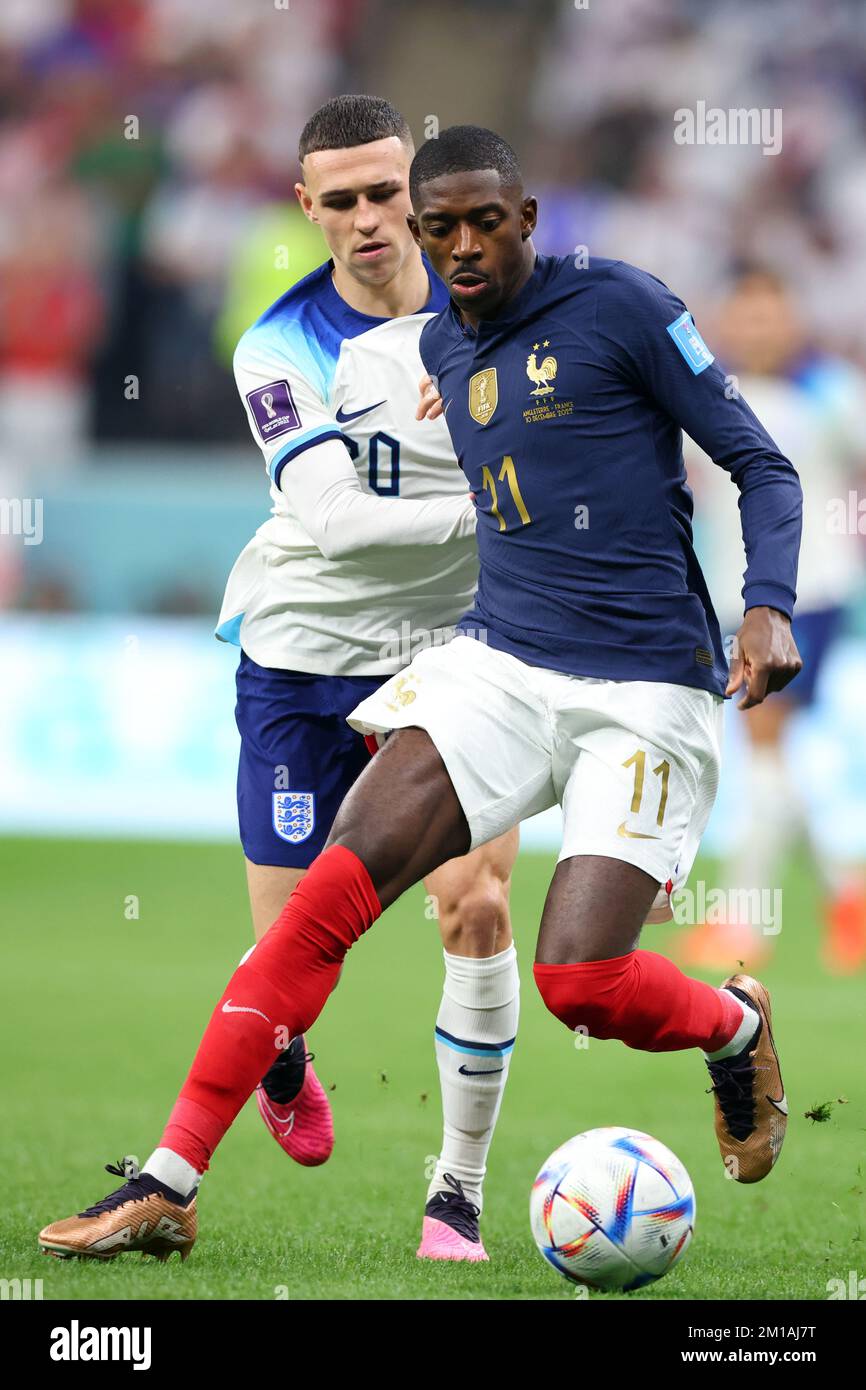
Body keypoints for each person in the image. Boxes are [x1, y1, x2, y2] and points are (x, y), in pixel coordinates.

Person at [39, 125, 802, 1266]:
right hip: (493, 666)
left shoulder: (625, 307)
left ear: (527, 218)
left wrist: (767, 602)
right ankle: (167, 1179)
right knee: (321, 904)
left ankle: (731, 1023)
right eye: (437, 226)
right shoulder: (432, 346)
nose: (457, 246)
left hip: (643, 687)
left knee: (579, 983)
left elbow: (762, 463)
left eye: (479, 221)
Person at [216, 95, 522, 1261]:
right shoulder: (280, 346)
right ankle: (282, 1059)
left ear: (422, 188)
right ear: (308, 209)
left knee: (477, 902)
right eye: (336, 200)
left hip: (458, 653)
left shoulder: (498, 315)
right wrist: (498, 508)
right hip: (305, 653)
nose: (364, 219)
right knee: (290, 963)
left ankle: (456, 1189)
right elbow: (335, 524)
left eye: (382, 193)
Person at [678, 267, 866, 974]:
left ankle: (739, 921)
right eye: (745, 315)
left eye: (771, 314)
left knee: (762, 743)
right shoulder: (706, 395)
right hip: (733, 592)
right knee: (774, 754)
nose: (759, 328)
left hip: (808, 592)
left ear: (794, 319)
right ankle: (848, 895)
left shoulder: (832, 392)